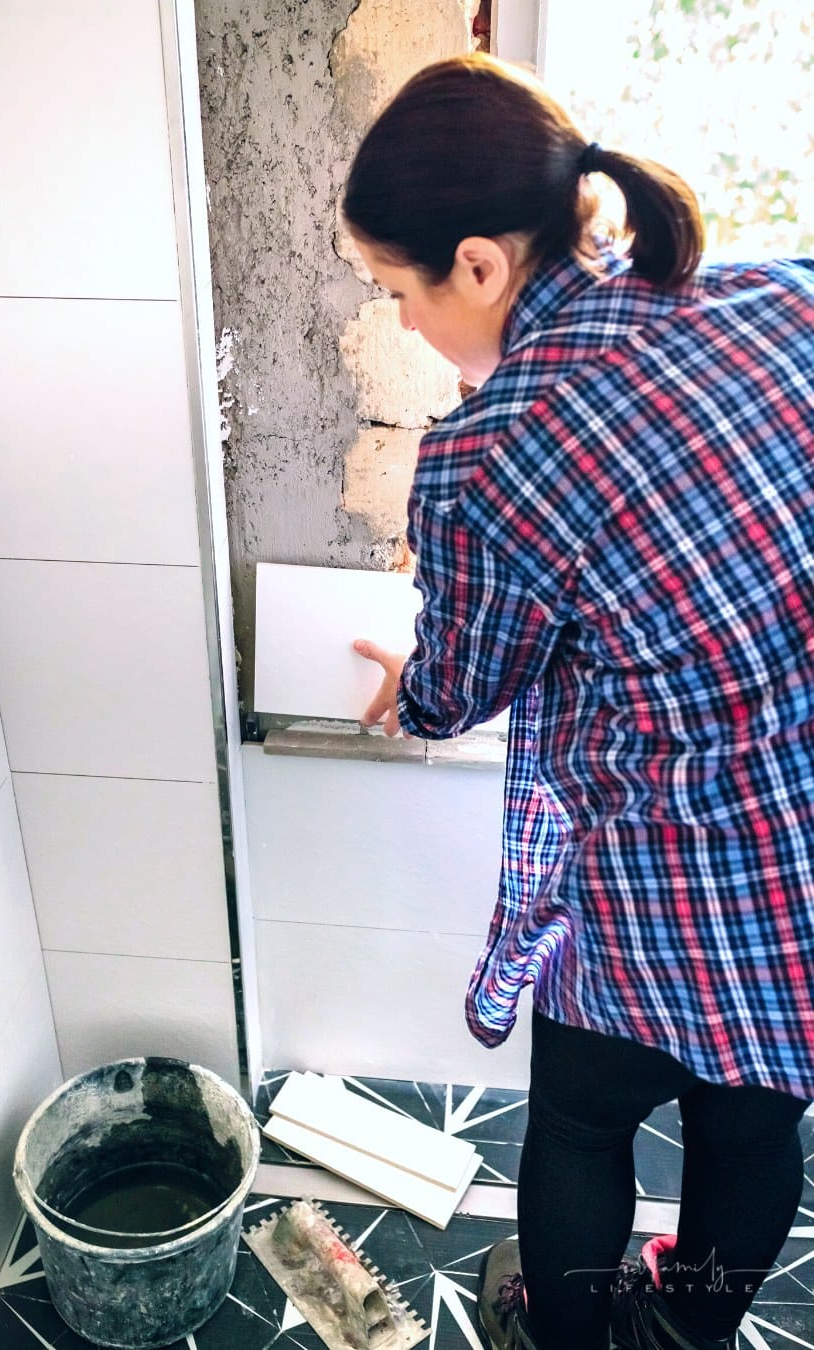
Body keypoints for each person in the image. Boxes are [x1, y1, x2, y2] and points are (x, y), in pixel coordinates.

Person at [343, 53, 814, 1350]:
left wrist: (406, 685)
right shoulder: (779, 299)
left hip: (656, 896)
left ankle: (566, 1335)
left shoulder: (490, 450)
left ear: (481, 266)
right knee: (754, 1125)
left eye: (397, 291)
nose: (402, 323)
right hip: (804, 883)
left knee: (579, 1126)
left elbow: (459, 688)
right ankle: (692, 1332)